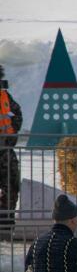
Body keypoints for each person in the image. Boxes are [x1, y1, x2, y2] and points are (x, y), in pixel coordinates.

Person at [0, 64, 23, 230]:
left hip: (5, 151)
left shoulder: (5, 96)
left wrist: (11, 136)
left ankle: (5, 221)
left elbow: (17, 115)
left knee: (12, 186)